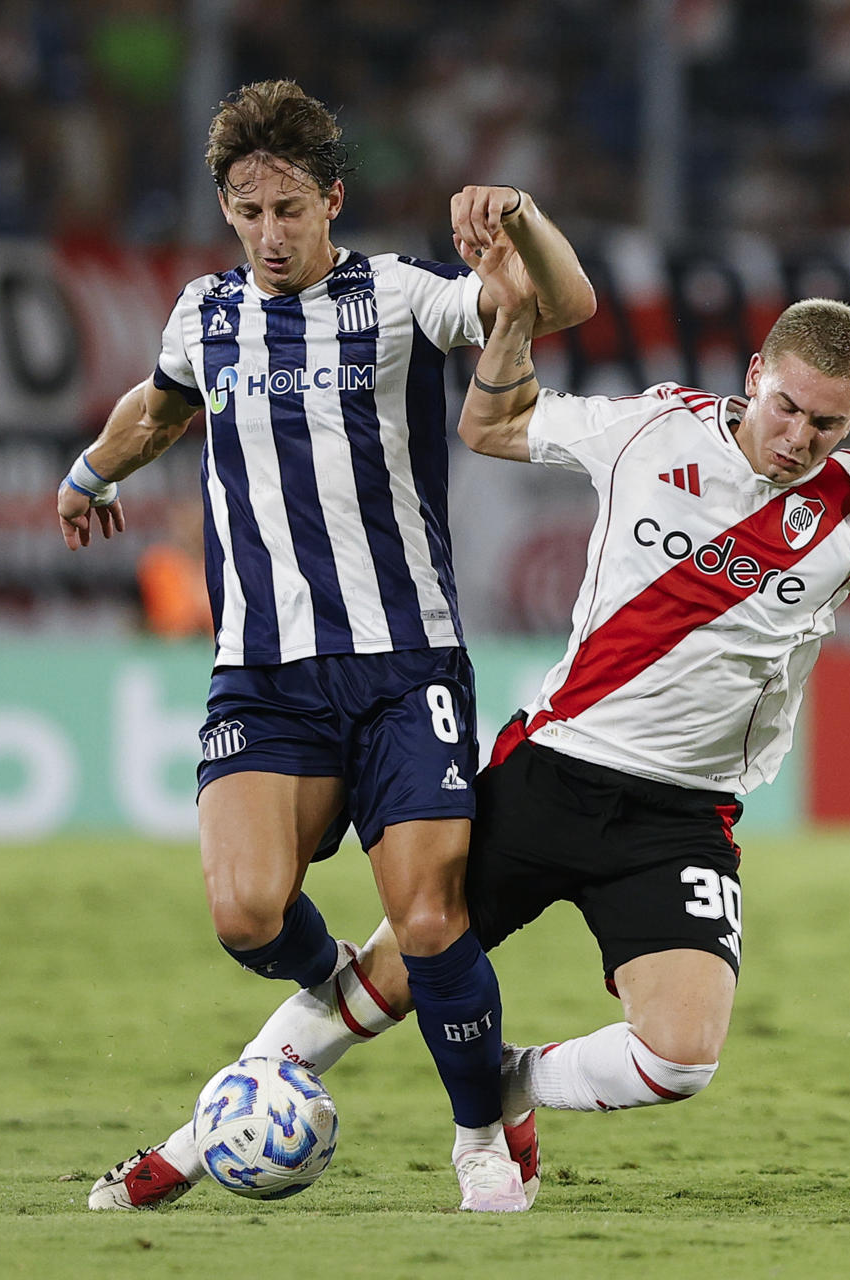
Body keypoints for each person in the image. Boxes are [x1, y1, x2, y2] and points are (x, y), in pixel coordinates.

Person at [90, 264, 850, 1212]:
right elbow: (494, 427)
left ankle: (500, 1080)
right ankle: (192, 1146)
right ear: (757, 372)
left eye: (829, 424)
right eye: (789, 407)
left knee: (680, 1059)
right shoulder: (650, 427)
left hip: (681, 819)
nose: (799, 439)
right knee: (390, 971)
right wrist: (508, 319)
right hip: (552, 768)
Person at [59, 79, 595, 1213]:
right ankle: (351, 991)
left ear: (332, 199)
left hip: (407, 660)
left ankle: (480, 1137)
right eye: (247, 212)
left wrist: (520, 226)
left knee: (435, 916)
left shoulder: (399, 297)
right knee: (247, 912)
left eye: (289, 210)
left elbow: (556, 304)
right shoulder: (203, 316)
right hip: (264, 667)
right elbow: (157, 408)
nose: (267, 235)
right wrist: (91, 471)